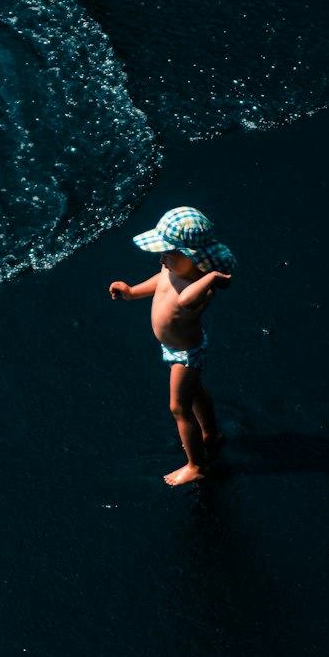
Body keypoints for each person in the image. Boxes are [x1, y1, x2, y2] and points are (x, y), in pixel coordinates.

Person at [109, 206, 236, 486]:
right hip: (173, 348)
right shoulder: (172, 270)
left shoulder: (200, 288)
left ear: (193, 258)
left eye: (169, 252)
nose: (162, 257)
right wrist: (131, 292)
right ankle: (211, 434)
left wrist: (211, 277)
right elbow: (159, 283)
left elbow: (184, 300)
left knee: (178, 407)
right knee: (196, 392)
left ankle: (197, 465)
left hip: (185, 355)